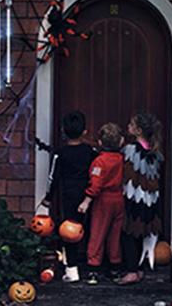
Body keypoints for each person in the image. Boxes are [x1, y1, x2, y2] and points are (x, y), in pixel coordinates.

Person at [39, 110, 97, 283]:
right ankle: (93, 268)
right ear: (85, 131)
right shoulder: (91, 152)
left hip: (70, 197)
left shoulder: (61, 154)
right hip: (89, 196)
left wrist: (48, 197)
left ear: (63, 130)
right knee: (90, 230)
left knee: (69, 233)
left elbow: (53, 177)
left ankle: (72, 270)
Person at [116, 111, 164, 285]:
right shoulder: (154, 151)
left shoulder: (130, 150)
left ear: (138, 130)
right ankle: (140, 269)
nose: (127, 126)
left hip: (134, 198)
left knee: (128, 233)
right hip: (151, 199)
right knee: (143, 232)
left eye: (130, 124)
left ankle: (131, 271)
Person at [77, 123, 125, 284]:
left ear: (99, 143)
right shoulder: (121, 160)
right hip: (119, 199)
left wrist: (86, 201)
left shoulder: (100, 162)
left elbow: (96, 185)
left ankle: (93, 269)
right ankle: (115, 268)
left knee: (98, 232)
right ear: (121, 142)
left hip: (103, 201)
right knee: (115, 235)